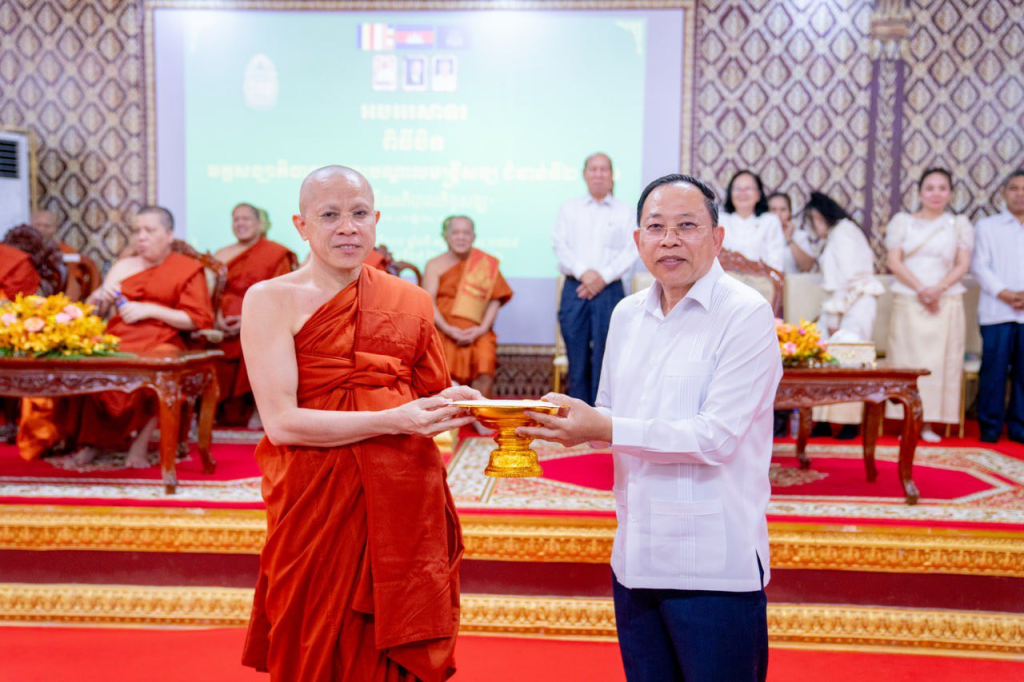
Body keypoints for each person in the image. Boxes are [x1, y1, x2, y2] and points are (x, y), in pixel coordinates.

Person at [520, 174, 780, 682]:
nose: (670, 240)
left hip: (712, 565)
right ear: (638, 240)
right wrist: (563, 420)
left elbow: (716, 438)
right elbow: (610, 414)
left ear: (717, 237)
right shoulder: (626, 314)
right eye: (656, 227)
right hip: (636, 558)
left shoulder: (745, 314)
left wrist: (605, 425)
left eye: (687, 226)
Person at [240, 165, 478, 680]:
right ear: (302, 225)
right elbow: (282, 423)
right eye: (330, 215)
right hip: (317, 492)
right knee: (317, 633)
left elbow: (427, 394)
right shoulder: (269, 300)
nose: (347, 227)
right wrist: (394, 418)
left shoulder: (410, 300)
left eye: (359, 213)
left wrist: (462, 401)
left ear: (376, 220)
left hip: (404, 489)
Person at [18, 207, 214, 466]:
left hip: (163, 338)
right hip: (118, 336)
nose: (141, 237)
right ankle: (91, 443)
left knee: (160, 367)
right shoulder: (124, 266)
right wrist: (98, 297)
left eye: (149, 230)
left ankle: (139, 446)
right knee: (89, 364)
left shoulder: (187, 268)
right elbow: (96, 312)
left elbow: (197, 318)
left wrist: (151, 310)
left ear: (168, 235)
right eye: (137, 231)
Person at [885, 169, 973, 443]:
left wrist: (938, 289)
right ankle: (906, 421)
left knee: (939, 362)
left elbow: (963, 264)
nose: (936, 193)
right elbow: (893, 261)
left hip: (946, 299)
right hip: (910, 298)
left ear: (950, 193)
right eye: (930, 188)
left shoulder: (958, 224)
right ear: (920, 192)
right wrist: (922, 289)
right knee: (907, 360)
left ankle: (929, 422)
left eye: (942, 188)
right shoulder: (903, 222)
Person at [552, 152, 637, 405]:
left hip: (610, 290)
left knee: (606, 358)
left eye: (604, 169)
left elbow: (631, 250)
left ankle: (601, 416)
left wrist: (603, 277)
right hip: (575, 287)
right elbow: (560, 245)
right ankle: (577, 414)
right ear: (584, 174)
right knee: (576, 359)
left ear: (611, 175)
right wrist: (584, 274)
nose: (598, 174)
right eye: (593, 169)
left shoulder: (625, 211)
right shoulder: (569, 208)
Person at [808, 192, 884, 438]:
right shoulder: (838, 234)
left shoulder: (844, 233)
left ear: (821, 217)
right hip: (840, 305)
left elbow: (852, 278)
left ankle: (850, 423)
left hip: (855, 305)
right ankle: (823, 420)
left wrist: (835, 316)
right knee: (823, 360)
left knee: (849, 360)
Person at [212, 203, 296, 426]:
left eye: (246, 219)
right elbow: (211, 292)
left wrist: (249, 320)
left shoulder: (275, 254)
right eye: (236, 219)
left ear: (260, 223)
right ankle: (211, 410)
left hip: (262, 321)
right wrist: (217, 319)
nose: (240, 223)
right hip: (221, 323)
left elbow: (281, 295)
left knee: (262, 345)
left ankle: (259, 409)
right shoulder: (221, 254)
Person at [423, 215, 513, 398]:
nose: (461, 237)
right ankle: (445, 410)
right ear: (445, 236)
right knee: (440, 365)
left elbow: (495, 300)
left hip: (478, 330)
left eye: (466, 233)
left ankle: (480, 410)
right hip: (443, 329)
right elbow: (427, 300)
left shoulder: (485, 263)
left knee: (485, 358)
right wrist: (447, 329)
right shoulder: (434, 264)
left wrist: (482, 329)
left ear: (474, 237)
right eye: (456, 233)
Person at [972, 169, 1024, 444]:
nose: (1020, 194)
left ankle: (1020, 427)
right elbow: (979, 266)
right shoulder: (987, 227)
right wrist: (1004, 293)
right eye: (1014, 188)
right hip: (996, 311)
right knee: (993, 372)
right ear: (1004, 193)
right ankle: (990, 427)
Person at [720, 170, 786, 271]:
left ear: (758, 194)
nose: (742, 193)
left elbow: (776, 264)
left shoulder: (770, 221)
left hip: (761, 280)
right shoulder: (720, 220)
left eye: (747, 188)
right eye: (737, 189)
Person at [30, 210, 87, 301]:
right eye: (38, 225)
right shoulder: (21, 250)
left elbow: (76, 276)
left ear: (55, 229)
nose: (41, 229)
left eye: (47, 226)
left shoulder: (65, 250)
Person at [767, 192, 820, 273]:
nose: (778, 214)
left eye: (783, 210)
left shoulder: (799, 236)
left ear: (789, 213)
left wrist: (789, 239)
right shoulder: (758, 233)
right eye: (773, 209)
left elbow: (807, 267)